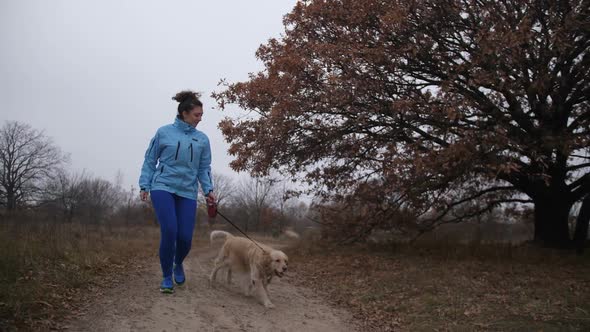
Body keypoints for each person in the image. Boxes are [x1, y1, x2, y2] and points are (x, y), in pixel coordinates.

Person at [139, 90, 216, 294]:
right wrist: (144, 184)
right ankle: (166, 276)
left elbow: (203, 168)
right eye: (196, 115)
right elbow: (150, 159)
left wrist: (208, 189)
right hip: (162, 186)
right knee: (170, 230)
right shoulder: (164, 132)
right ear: (184, 113)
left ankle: (177, 262)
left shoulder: (202, 139)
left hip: (188, 192)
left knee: (185, 238)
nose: (200, 119)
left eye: (201, 115)